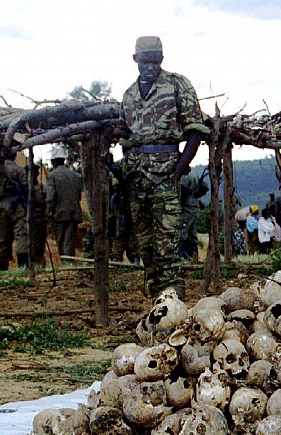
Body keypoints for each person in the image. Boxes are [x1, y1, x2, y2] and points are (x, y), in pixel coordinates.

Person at [120, 36, 209, 298]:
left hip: (166, 176)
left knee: (168, 246)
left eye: (156, 60)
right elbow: (126, 137)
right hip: (137, 178)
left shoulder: (177, 84)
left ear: (162, 59)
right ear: (135, 60)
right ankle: (156, 308)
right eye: (145, 61)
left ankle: (174, 308)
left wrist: (178, 170)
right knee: (145, 248)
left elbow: (195, 130)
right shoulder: (129, 95)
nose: (150, 66)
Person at [46, 145, 83, 258]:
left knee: (61, 239)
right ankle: (69, 260)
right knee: (70, 238)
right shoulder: (76, 175)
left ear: (54, 161)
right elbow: (79, 195)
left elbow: (50, 197)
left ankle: (65, 261)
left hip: (59, 213)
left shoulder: (52, 176)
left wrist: (48, 211)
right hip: (74, 211)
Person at [0, 152, 30, 269]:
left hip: (0, 205)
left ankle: (1, 266)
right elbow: (26, 189)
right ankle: (23, 264)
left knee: (2, 236)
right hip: (17, 205)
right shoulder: (19, 170)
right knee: (21, 234)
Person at [108, 157, 140, 263]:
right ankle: (118, 256)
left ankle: (132, 255)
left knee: (131, 232)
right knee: (121, 232)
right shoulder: (121, 164)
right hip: (122, 203)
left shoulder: (133, 163)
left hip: (132, 201)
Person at [179, 169, 208, 262]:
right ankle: (193, 257)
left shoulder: (183, 175)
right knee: (192, 233)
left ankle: (181, 257)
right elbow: (204, 187)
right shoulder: (192, 173)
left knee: (181, 232)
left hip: (187, 206)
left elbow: (182, 193)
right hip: (194, 205)